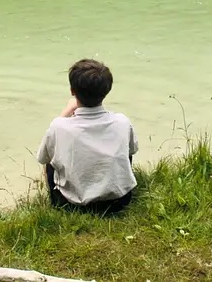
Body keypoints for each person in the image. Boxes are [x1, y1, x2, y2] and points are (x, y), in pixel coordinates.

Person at [36, 59, 139, 215]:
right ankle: (113, 186)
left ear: (72, 91)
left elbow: (42, 157)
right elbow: (132, 150)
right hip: (119, 202)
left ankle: (57, 202)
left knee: (51, 158)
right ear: (107, 90)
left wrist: (65, 112)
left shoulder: (59, 126)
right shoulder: (122, 121)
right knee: (125, 149)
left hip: (72, 205)